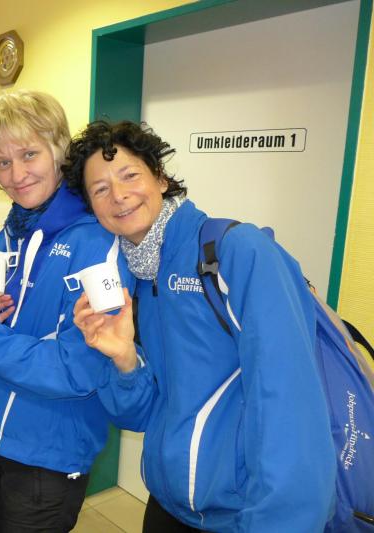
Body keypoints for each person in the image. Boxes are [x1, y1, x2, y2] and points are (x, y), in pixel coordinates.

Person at [64, 120, 336, 532]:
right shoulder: (136, 278)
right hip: (168, 506)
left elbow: (290, 408)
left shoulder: (237, 252)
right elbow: (141, 416)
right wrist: (124, 360)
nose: (118, 195)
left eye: (130, 175)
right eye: (100, 189)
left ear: (160, 177)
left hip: (244, 516)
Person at [0, 90, 133, 532]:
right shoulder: (16, 229)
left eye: (29, 154)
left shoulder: (97, 241)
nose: (16, 175)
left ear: (57, 149)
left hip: (48, 454)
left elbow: (79, 368)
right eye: (1, 162)